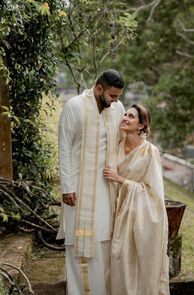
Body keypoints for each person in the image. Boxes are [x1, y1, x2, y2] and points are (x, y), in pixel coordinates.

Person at [56, 69, 125, 295]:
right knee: (79, 243)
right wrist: (67, 186)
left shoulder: (117, 109)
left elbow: (123, 144)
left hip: (106, 188)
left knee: (104, 240)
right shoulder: (74, 106)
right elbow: (64, 149)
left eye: (118, 96)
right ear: (98, 89)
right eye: (112, 96)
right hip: (76, 188)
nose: (116, 101)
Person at [104, 104, 170, 295]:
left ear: (141, 125)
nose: (124, 118)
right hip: (116, 213)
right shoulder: (115, 147)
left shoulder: (150, 151)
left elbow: (153, 193)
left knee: (139, 265)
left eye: (131, 116)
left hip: (142, 218)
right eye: (125, 114)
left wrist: (120, 179)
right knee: (119, 261)